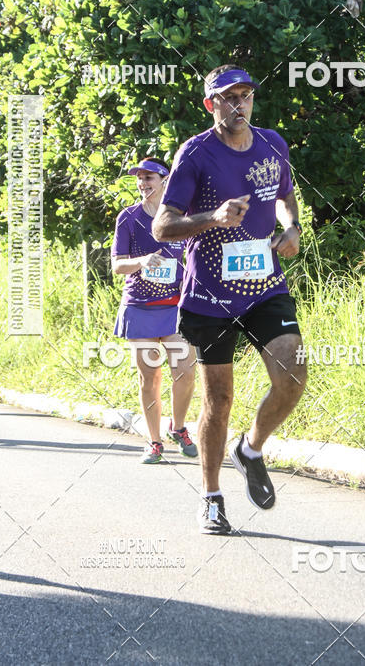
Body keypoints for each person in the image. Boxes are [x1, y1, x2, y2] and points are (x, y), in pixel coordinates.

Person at [152, 66, 307, 534]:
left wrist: (292, 226)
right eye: (229, 97)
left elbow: (286, 197)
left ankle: (252, 448)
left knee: (293, 372)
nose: (240, 104)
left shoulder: (272, 144)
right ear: (211, 104)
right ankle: (212, 496)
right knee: (218, 400)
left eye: (246, 95)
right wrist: (212, 217)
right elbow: (163, 226)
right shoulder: (195, 154)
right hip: (209, 294)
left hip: (264, 285)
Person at [111, 157, 198, 464]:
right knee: (150, 378)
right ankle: (154, 441)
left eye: (149, 177)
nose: (143, 183)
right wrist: (142, 261)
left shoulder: (181, 217)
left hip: (175, 308)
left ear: (165, 180)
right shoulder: (129, 218)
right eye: (140, 178)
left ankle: (178, 427)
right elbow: (117, 265)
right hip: (140, 308)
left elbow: (196, 255)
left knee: (186, 370)